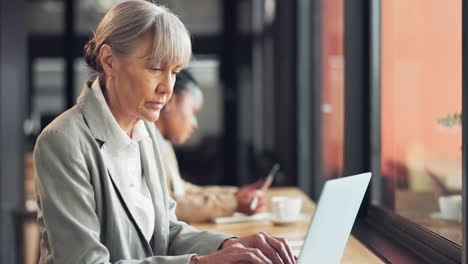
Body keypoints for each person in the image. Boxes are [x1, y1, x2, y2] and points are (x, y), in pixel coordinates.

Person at [33, 1, 296, 263]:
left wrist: (230, 244)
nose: (167, 88)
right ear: (109, 61)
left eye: (175, 72)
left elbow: (166, 233)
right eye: (156, 68)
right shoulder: (62, 142)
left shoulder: (145, 132)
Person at [155, 70, 266, 223]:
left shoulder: (163, 143)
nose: (195, 124)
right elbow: (170, 205)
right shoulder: (147, 143)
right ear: (170, 102)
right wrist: (234, 203)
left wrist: (235, 195)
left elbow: (182, 190)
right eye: (193, 112)